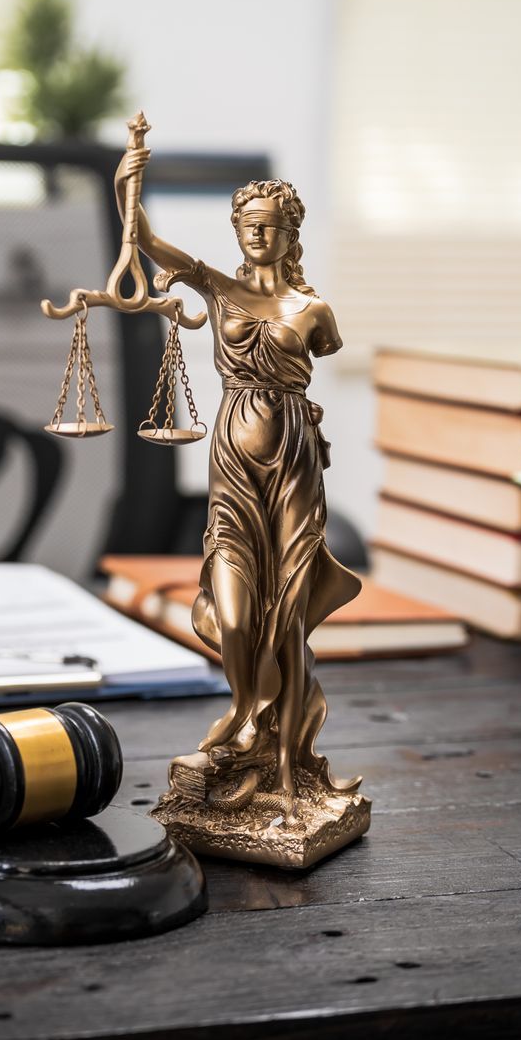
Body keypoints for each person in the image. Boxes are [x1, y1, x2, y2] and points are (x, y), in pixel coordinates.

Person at [123, 147, 362, 825]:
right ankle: (244, 716)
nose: (258, 234)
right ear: (237, 230)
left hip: (292, 459)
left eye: (270, 225)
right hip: (232, 459)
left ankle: (285, 772)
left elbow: (328, 350)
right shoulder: (217, 288)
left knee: (286, 614)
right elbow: (141, 241)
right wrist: (128, 178)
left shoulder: (313, 309)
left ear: (291, 233)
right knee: (232, 607)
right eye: (248, 224)